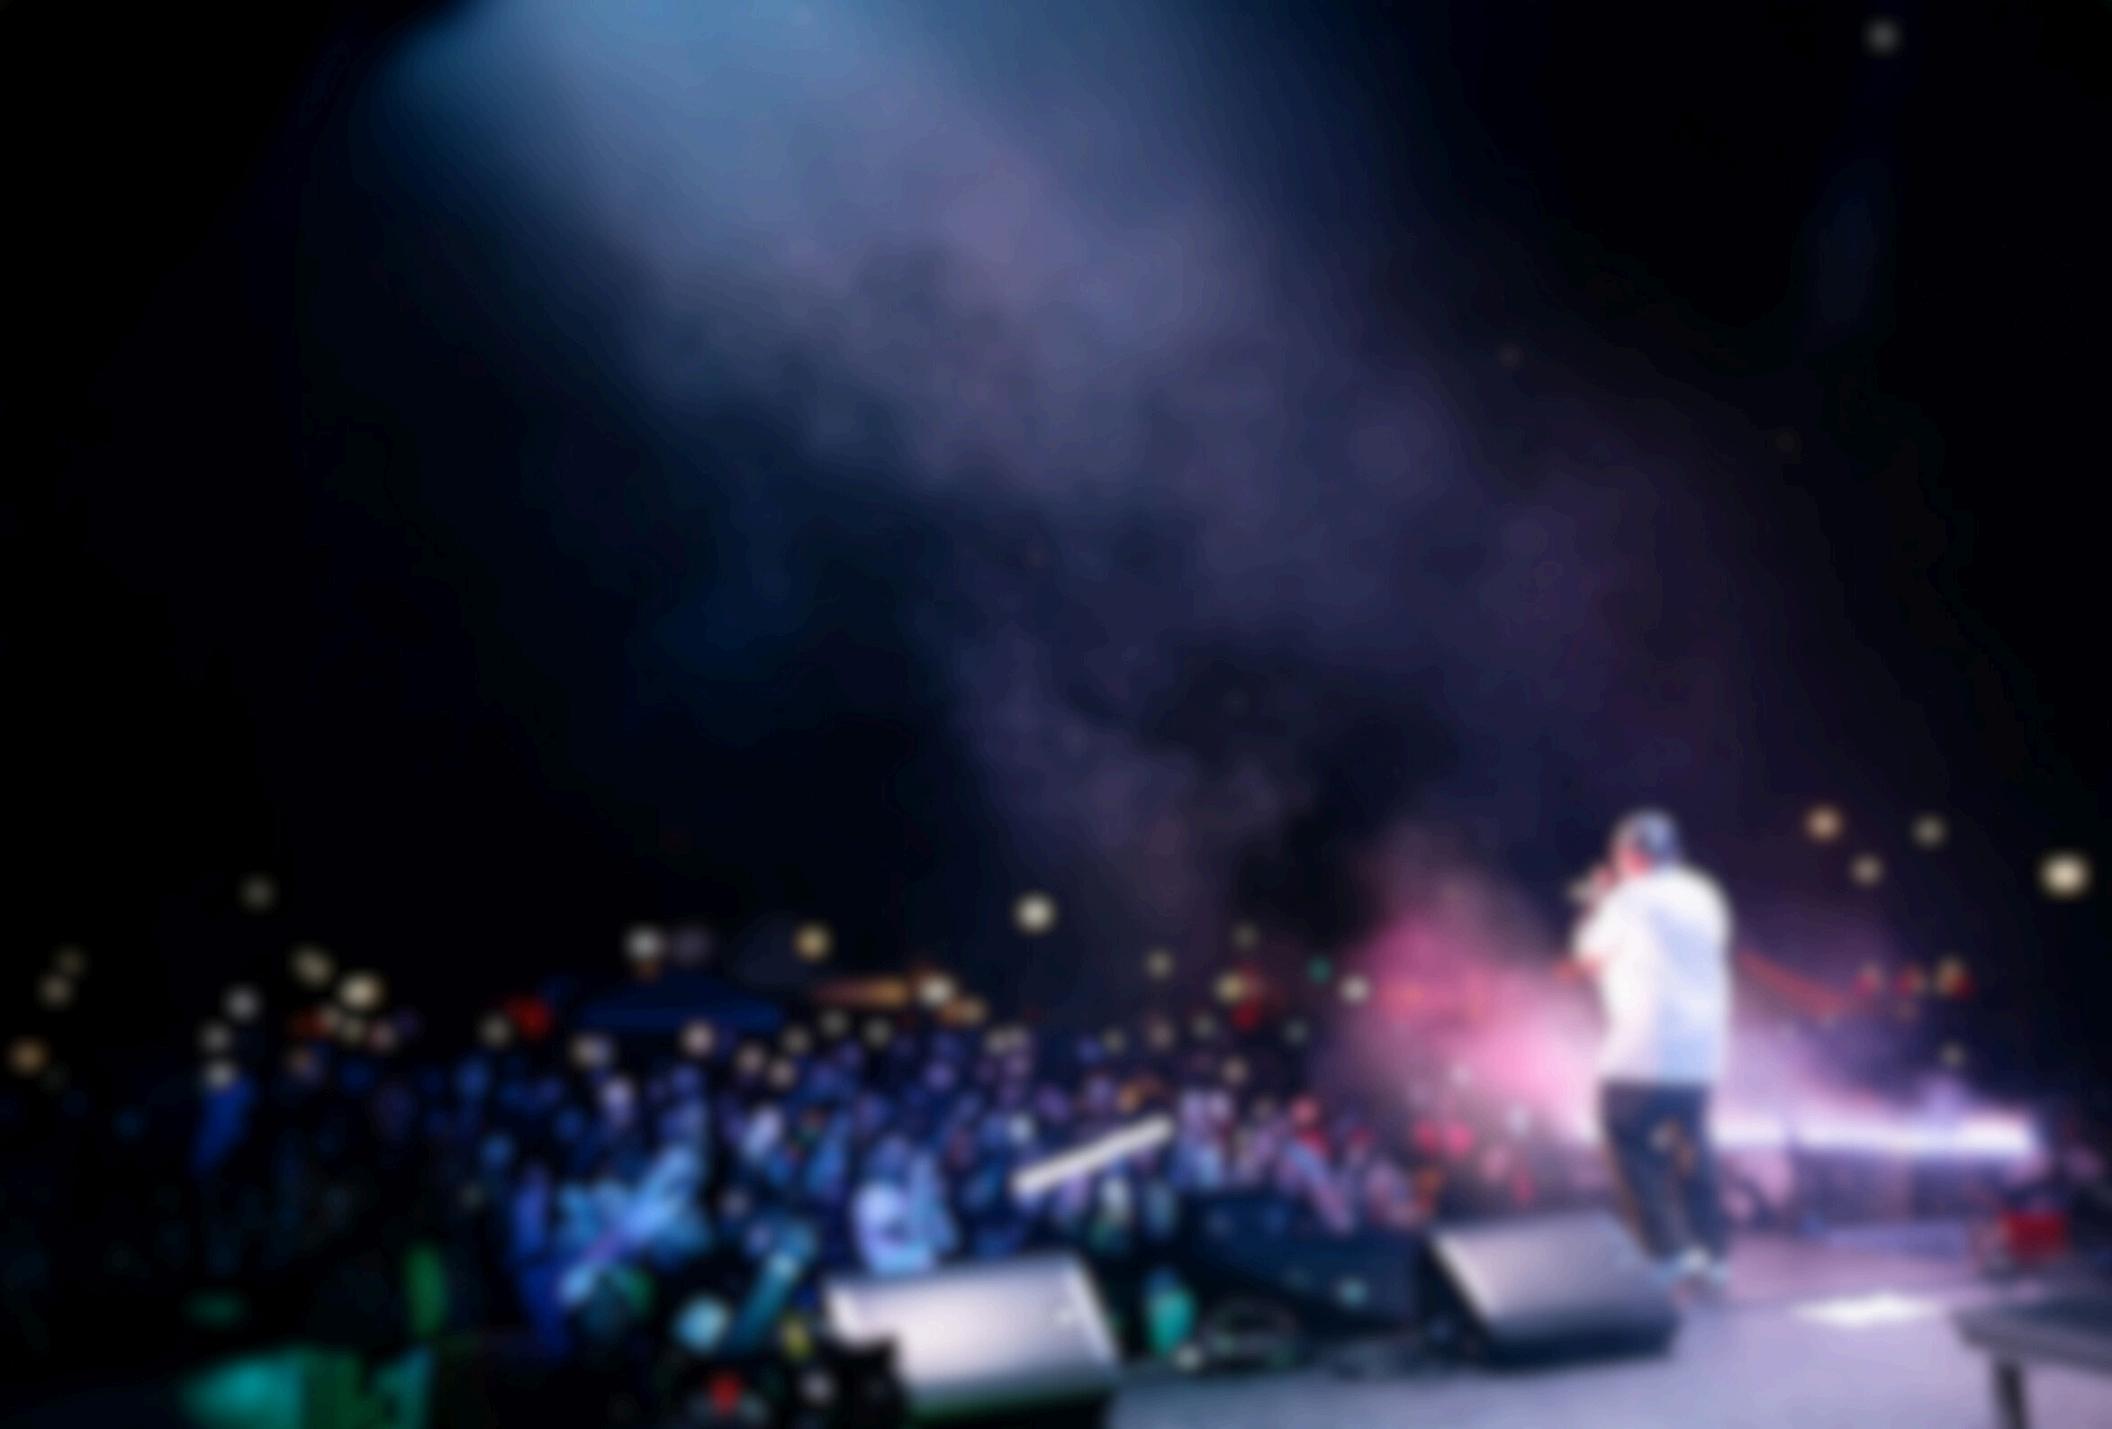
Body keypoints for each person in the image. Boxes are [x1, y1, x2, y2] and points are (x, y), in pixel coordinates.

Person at [1568, 809, 1732, 1292]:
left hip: (1645, 1049)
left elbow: (1587, 957)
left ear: (1632, 855)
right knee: (1694, 1143)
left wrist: (1598, 899)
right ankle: (1712, 1253)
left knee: (1624, 1133)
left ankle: (1668, 1251)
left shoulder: (1628, 898)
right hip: (1702, 1051)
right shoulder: (1705, 893)